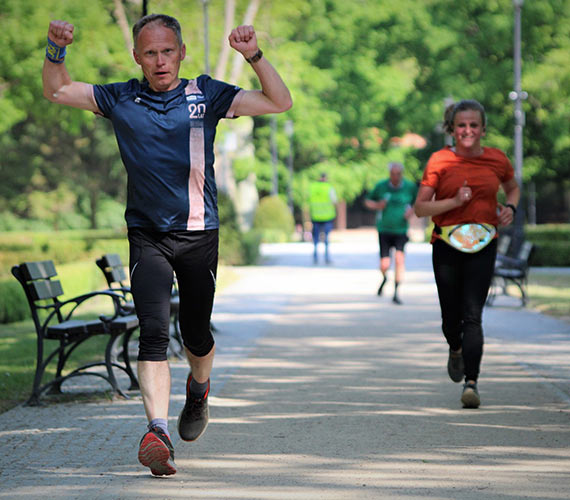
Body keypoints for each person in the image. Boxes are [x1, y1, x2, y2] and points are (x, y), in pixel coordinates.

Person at [43, 15, 292, 476]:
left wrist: (253, 55)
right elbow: (57, 90)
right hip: (147, 235)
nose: (160, 61)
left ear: (181, 53)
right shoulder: (119, 97)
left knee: (196, 334)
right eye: (150, 53)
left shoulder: (208, 93)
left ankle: (199, 391)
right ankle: (156, 431)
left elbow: (280, 102)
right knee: (154, 331)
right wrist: (56, 49)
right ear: (137, 57)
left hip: (200, 234)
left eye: (167, 51)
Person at [413, 99, 520, 409]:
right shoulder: (439, 161)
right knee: (451, 318)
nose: (468, 130)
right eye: (462, 125)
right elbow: (421, 207)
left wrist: (510, 208)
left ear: (483, 129)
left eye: (474, 125)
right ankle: (455, 348)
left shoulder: (497, 160)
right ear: (452, 129)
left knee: (473, 316)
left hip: (483, 244)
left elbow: (512, 188)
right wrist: (454, 203)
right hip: (446, 244)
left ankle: (471, 383)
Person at [364, 162, 417, 304]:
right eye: (393, 174)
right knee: (385, 264)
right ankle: (385, 277)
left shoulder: (409, 187)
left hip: (401, 230)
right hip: (384, 229)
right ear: (389, 174)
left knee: (399, 259)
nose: (395, 177)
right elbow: (368, 201)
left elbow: (418, 201)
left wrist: (411, 211)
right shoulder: (381, 186)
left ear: (402, 174)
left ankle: (396, 292)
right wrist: (377, 205)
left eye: (398, 174)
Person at [309, 173, 337, 264]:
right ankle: (326, 257)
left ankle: (315, 256)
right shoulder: (329, 187)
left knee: (316, 238)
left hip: (315, 216)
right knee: (326, 238)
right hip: (327, 217)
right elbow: (334, 201)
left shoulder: (312, 187)